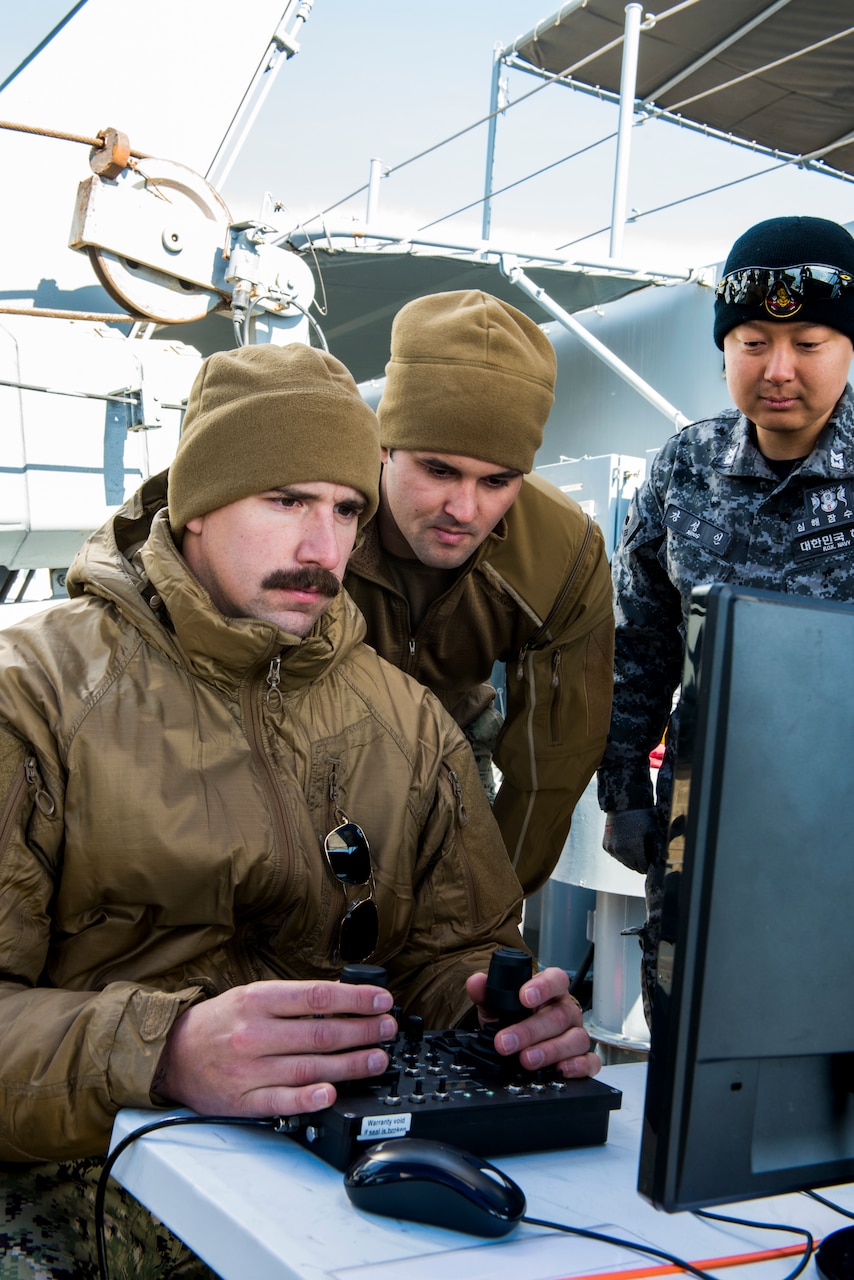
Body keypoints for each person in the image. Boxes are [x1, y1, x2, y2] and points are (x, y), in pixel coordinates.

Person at [0, 343, 599, 1277]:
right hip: (90, 1151)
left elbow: (450, 952)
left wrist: (499, 1019)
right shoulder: (33, 697)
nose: (324, 549)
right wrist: (164, 1052)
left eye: (348, 509)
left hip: (334, 1156)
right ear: (195, 504)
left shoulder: (405, 722)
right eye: (285, 500)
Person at [597, 215, 854, 1018]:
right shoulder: (687, 465)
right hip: (699, 814)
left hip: (838, 810)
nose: (778, 370)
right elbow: (640, 644)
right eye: (751, 342)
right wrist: (624, 791)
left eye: (808, 343)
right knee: (689, 1010)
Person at [344, 289, 615, 895]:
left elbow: (555, 760)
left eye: (497, 481)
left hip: (451, 744)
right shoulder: (315, 502)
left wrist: (487, 909)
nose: (464, 509)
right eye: (438, 470)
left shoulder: (563, 553)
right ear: (386, 447)